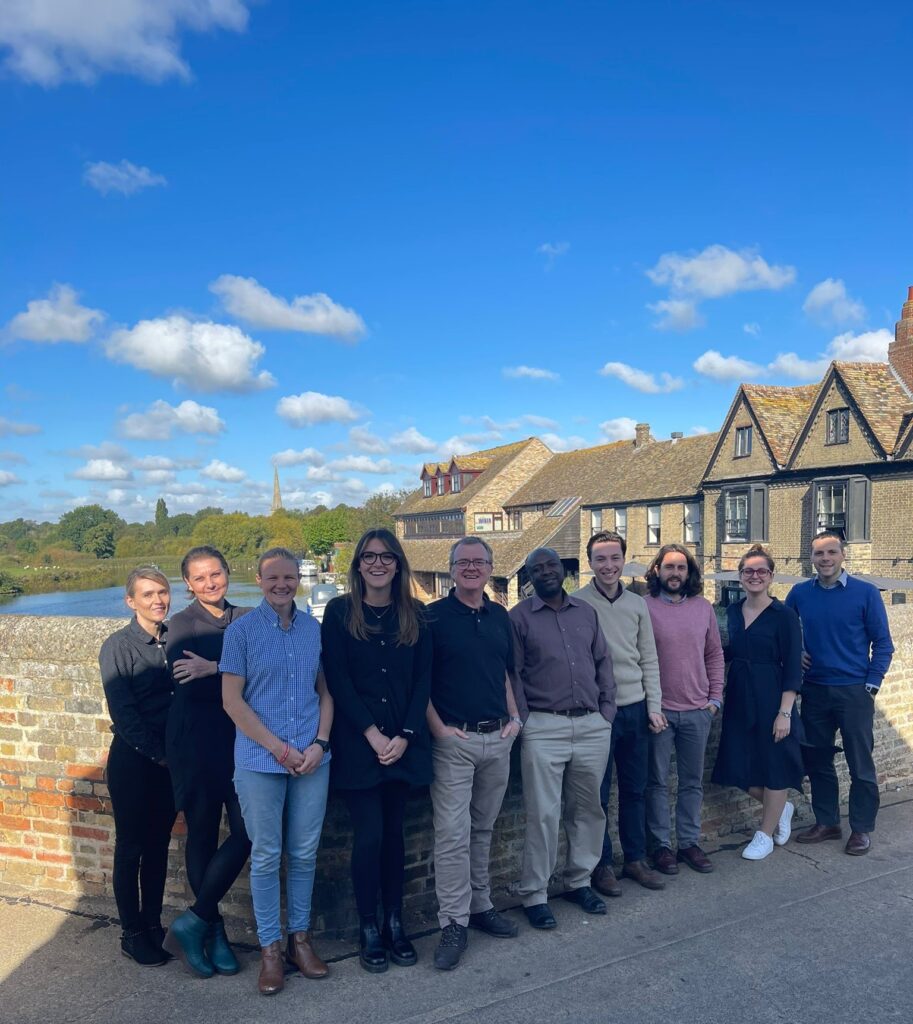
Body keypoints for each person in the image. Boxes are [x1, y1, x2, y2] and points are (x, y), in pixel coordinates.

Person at [220, 547, 334, 996]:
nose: (282, 584)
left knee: (305, 853)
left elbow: (326, 693)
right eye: (273, 578)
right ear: (259, 579)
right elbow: (232, 701)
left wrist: (319, 743)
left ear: (298, 579)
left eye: (290, 577)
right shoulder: (242, 632)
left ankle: (299, 941)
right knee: (267, 855)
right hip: (260, 761)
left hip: (312, 757)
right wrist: (280, 750)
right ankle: (270, 949)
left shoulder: (313, 629)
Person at [320, 529, 431, 974]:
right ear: (358, 564)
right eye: (369, 556)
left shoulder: (416, 615)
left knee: (395, 837)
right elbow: (338, 679)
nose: (378, 563)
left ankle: (394, 921)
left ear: (398, 564)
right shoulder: (340, 611)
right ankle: (369, 927)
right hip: (360, 745)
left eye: (387, 556)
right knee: (369, 837)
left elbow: (423, 680)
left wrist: (404, 734)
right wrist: (372, 733)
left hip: (404, 744)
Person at [426, 536, 522, 970]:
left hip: (497, 738)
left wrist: (515, 718)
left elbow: (504, 672)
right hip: (455, 743)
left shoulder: (500, 616)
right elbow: (418, 684)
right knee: (451, 834)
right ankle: (454, 922)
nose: (471, 568)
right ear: (451, 569)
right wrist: (440, 731)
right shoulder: (432, 618)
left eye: (478, 562)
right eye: (463, 562)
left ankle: (481, 907)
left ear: (489, 568)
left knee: (483, 829)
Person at [510, 548, 616, 930]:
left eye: (551, 565)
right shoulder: (518, 618)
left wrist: (607, 712)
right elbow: (514, 674)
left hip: (591, 724)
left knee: (588, 810)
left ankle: (579, 881)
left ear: (563, 569)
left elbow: (603, 662)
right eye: (537, 568)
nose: (546, 572)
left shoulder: (586, 612)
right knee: (543, 814)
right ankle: (535, 893)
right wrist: (524, 721)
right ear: (530, 577)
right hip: (543, 726)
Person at [162, 546, 252, 977]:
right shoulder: (180, 625)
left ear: (228, 573)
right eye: (199, 578)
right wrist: (235, 669)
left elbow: (267, 670)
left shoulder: (249, 618)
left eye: (215, 573)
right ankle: (214, 931)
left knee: (248, 830)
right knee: (201, 835)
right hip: (196, 745)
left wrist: (215, 666)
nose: (210, 583)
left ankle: (192, 920)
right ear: (188, 585)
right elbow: (188, 681)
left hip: (241, 744)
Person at [786, 531, 894, 855]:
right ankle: (828, 821)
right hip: (815, 690)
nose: (826, 559)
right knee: (817, 759)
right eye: (819, 553)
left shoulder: (866, 593)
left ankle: (861, 828)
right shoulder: (799, 593)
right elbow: (784, 631)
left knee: (860, 763)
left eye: (831, 551)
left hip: (854, 692)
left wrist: (871, 686)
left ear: (842, 555)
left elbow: (884, 644)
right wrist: (796, 652)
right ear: (811, 558)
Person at [574, 531, 666, 895]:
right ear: (590, 563)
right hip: (598, 713)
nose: (608, 566)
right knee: (596, 794)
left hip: (636, 708)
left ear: (624, 560)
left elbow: (649, 657)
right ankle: (602, 866)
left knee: (635, 789)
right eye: (600, 559)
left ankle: (635, 859)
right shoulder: (578, 604)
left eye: (614, 558)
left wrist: (654, 706)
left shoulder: (637, 604)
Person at [99, 566, 176, 967]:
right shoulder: (119, 646)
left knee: (158, 846)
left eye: (162, 592)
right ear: (131, 601)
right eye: (147, 595)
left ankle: (153, 924)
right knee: (131, 846)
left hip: (168, 762)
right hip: (134, 760)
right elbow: (124, 713)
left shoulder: (175, 638)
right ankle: (131, 932)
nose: (157, 600)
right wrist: (160, 755)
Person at [711, 545, 805, 861]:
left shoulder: (784, 616)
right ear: (740, 576)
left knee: (774, 766)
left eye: (761, 571)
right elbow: (726, 652)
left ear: (771, 576)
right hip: (739, 695)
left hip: (773, 696)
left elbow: (793, 666)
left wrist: (785, 712)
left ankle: (764, 834)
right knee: (735, 768)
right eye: (748, 571)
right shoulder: (733, 612)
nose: (755, 576)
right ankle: (781, 808)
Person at [644, 544, 724, 875]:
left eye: (681, 568)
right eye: (668, 567)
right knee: (657, 782)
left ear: (689, 573)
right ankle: (661, 847)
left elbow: (714, 655)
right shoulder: (643, 607)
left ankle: (689, 843)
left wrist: (714, 700)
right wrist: (650, 704)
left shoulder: (703, 608)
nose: (675, 573)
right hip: (659, 712)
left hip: (697, 711)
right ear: (657, 571)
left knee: (692, 782)